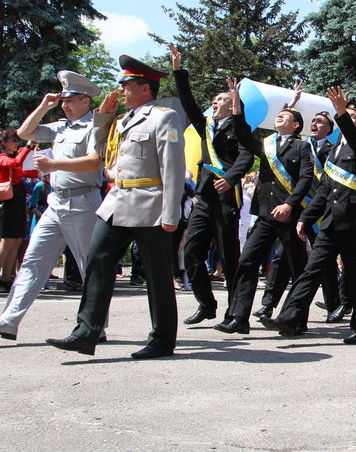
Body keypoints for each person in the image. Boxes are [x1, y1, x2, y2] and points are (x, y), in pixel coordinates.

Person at [45, 55, 186, 359]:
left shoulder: (163, 117)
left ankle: (162, 339)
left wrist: (171, 212)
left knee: (157, 274)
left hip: (151, 204)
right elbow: (100, 153)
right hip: (117, 202)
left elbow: (174, 167)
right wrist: (104, 118)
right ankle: (86, 332)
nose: (121, 90)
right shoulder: (122, 119)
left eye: (126, 84)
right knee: (97, 259)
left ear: (144, 88)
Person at [0, 72, 114, 340]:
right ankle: (8, 320)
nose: (65, 104)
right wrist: (44, 106)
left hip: (83, 201)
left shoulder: (95, 126)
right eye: (63, 100)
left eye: (70, 100)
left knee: (90, 266)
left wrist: (54, 165)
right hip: (57, 201)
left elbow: (93, 162)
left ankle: (95, 325)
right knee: (33, 261)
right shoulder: (60, 126)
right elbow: (24, 132)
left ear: (85, 100)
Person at [262, 87, 356, 344]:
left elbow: (353, 138)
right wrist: (306, 218)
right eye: (344, 116)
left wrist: (341, 112)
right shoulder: (334, 150)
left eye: (351, 117)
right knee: (311, 271)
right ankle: (289, 317)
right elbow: (324, 189)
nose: (345, 119)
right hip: (330, 222)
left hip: (353, 222)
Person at [214, 79, 313, 335]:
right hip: (266, 213)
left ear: (296, 125)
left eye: (285, 116)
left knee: (296, 268)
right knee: (247, 262)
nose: (279, 118)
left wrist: (290, 204)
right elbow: (245, 136)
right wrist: (237, 107)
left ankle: (296, 319)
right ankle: (239, 317)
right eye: (278, 115)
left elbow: (305, 179)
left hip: (289, 216)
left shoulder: (302, 147)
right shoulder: (267, 145)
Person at [169, 45, 253, 325]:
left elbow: (246, 155)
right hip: (203, 198)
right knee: (192, 251)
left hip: (226, 199)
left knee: (230, 258)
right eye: (214, 99)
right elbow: (188, 100)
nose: (214, 103)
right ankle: (206, 303)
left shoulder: (240, 127)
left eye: (221, 99)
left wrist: (230, 179)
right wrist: (179, 70)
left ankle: (235, 314)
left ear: (232, 105)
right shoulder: (205, 124)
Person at [0, 130, 38, 291]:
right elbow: (14, 164)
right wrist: (27, 149)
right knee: (7, 240)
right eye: (13, 140)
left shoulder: (12, 157)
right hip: (7, 202)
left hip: (18, 200)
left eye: (17, 140)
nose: (16, 143)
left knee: (16, 240)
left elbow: (26, 171)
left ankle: (6, 278)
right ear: (3, 143)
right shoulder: (2, 157)